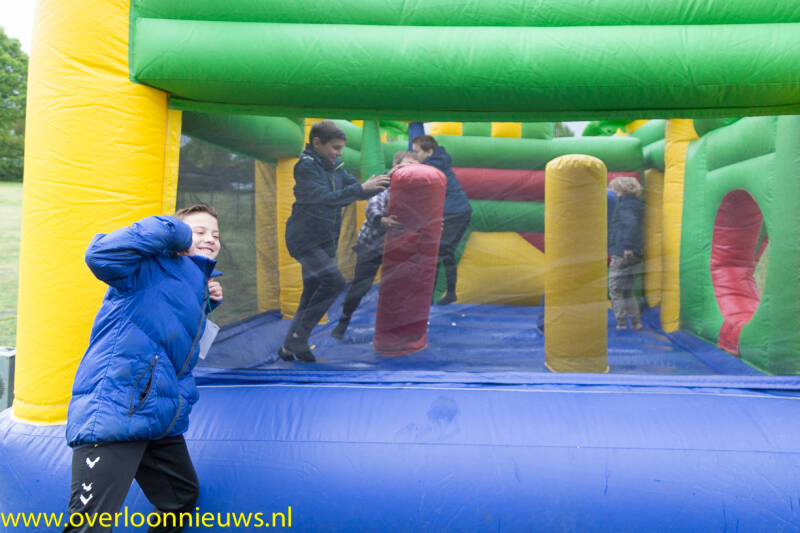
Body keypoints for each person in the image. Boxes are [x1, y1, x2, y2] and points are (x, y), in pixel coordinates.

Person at [63, 203, 224, 532]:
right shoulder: (146, 266)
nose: (210, 238)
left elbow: (165, 334)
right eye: (199, 231)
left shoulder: (193, 282)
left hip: (157, 416)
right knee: (89, 524)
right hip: (117, 409)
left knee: (180, 498)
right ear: (175, 238)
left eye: (216, 234)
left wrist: (207, 304)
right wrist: (170, 228)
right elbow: (99, 255)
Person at [279, 120, 390, 362]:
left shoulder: (336, 167)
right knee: (334, 282)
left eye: (341, 148)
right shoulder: (306, 167)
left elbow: (359, 190)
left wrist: (390, 179)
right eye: (336, 147)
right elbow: (323, 199)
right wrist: (361, 187)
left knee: (310, 293)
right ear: (317, 143)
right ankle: (299, 337)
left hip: (324, 241)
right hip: (304, 239)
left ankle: (289, 347)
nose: (339, 153)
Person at [331, 150, 421, 339]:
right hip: (371, 244)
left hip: (396, 247)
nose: (412, 167)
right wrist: (382, 219)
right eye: (408, 163)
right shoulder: (386, 183)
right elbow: (373, 206)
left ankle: (396, 326)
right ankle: (344, 320)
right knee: (361, 286)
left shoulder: (418, 190)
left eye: (416, 165)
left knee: (399, 286)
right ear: (396, 166)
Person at [411, 135, 472, 305]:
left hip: (455, 213)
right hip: (455, 212)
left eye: (417, 152)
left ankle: (427, 298)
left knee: (437, 253)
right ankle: (449, 293)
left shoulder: (433, 164)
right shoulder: (436, 160)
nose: (415, 156)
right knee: (446, 252)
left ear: (429, 151)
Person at [608, 176, 645, 330]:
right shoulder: (637, 204)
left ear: (619, 190)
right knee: (627, 290)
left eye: (613, 189)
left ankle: (621, 323)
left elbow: (630, 224)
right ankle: (636, 322)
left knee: (615, 290)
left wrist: (627, 246)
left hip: (623, 252)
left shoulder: (624, 206)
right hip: (635, 252)